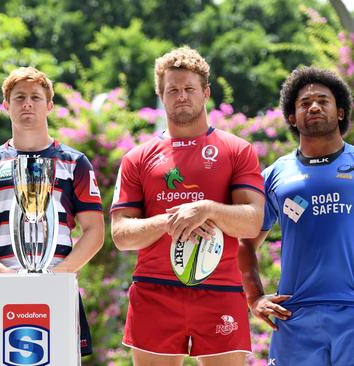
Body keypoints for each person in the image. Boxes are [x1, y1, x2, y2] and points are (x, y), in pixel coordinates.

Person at [110, 47, 265, 366]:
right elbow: (121, 235)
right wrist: (168, 223)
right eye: (173, 90)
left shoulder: (237, 150)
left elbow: (251, 222)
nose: (181, 96)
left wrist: (206, 209)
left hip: (220, 289)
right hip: (154, 292)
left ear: (206, 92)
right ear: (161, 95)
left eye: (189, 89)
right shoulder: (137, 158)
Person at [0, 66, 105, 356]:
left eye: (35, 97)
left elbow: (95, 231)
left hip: (59, 290)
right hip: (2, 291)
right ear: (6, 106)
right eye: (19, 98)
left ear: (49, 105)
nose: (27, 103)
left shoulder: (75, 163)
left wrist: (58, 275)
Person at [239, 66, 354, 366]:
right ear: (292, 117)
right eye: (304, 103)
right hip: (295, 316)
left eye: (322, 100)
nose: (313, 106)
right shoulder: (276, 174)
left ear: (340, 112)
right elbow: (245, 243)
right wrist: (254, 298)